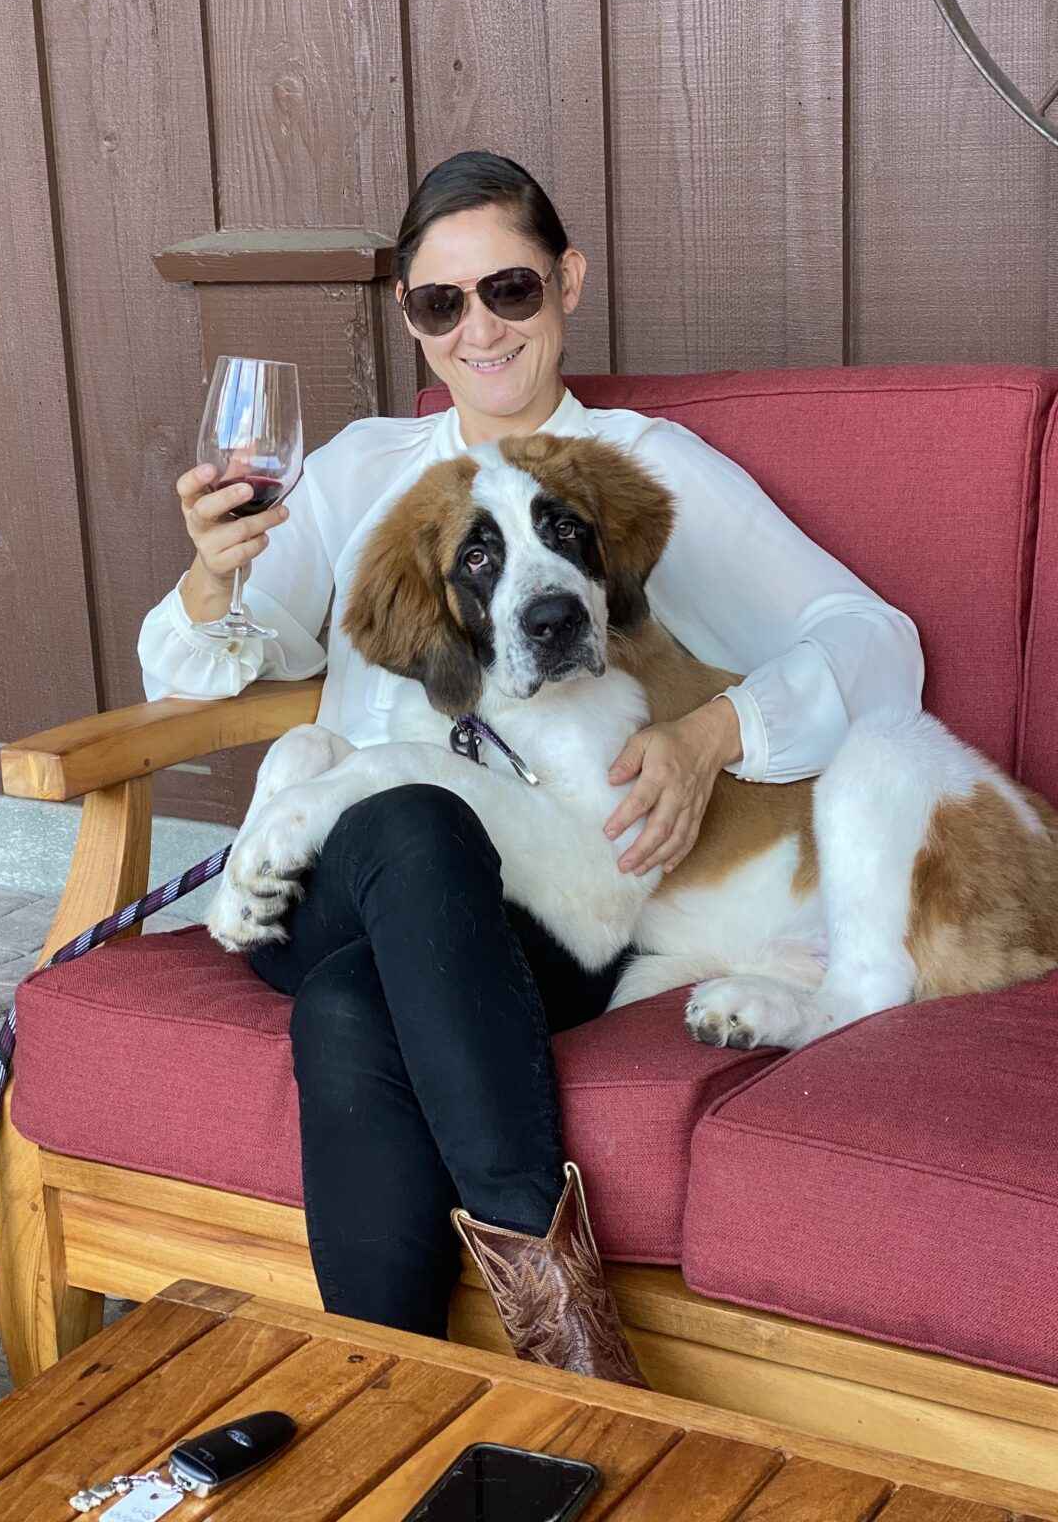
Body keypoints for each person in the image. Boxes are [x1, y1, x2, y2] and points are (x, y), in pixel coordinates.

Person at [138, 150, 924, 1386]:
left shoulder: (631, 473)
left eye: (507, 289)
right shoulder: (354, 474)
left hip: (543, 916)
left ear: (567, 284)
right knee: (408, 818)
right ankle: (574, 1356)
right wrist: (212, 577)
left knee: (354, 1005)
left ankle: (383, 1397)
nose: (477, 330)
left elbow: (878, 644)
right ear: (410, 316)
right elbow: (195, 671)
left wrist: (715, 737)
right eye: (439, 302)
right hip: (339, 880)